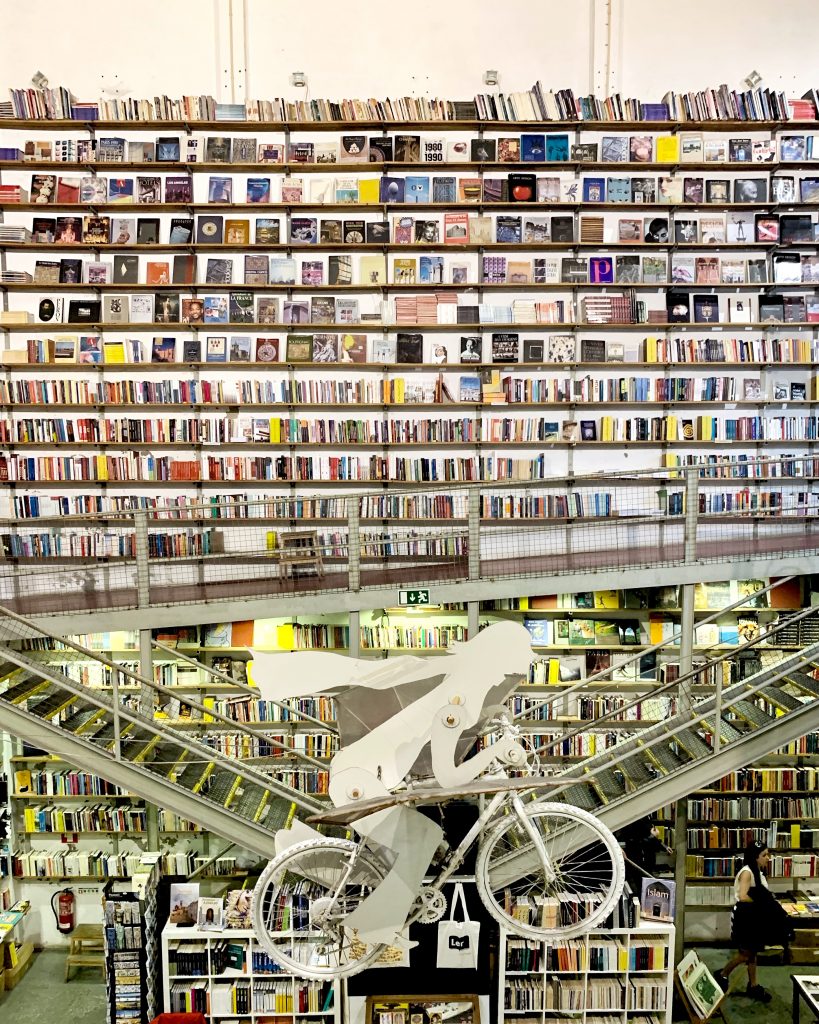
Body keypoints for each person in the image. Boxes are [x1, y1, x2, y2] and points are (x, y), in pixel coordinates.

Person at [715, 841, 775, 1002]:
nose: (768, 858)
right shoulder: (747, 873)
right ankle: (723, 974)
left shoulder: (757, 872)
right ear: (755, 857)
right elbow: (743, 896)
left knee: (752, 953)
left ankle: (753, 985)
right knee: (745, 954)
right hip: (745, 918)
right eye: (764, 855)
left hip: (753, 917)